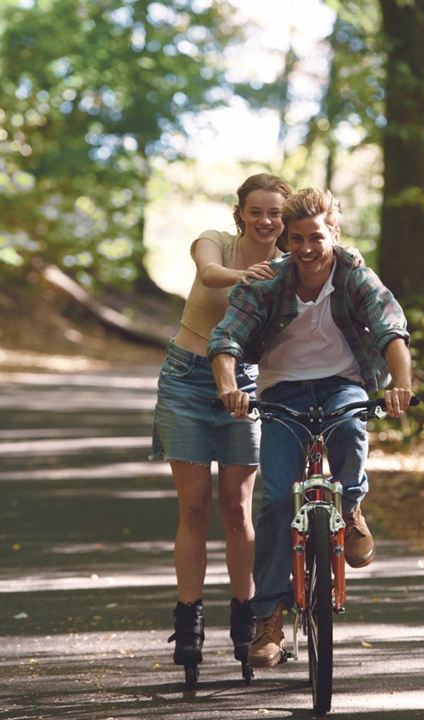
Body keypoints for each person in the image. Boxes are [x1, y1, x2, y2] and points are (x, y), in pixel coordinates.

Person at [209, 187, 414, 668]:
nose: (305, 248)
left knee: (349, 431)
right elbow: (227, 340)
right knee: (278, 498)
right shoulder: (267, 282)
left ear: (333, 233)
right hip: (282, 392)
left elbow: (391, 330)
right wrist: (227, 388)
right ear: (286, 238)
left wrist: (400, 385)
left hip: (342, 383)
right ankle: (269, 620)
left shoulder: (355, 275)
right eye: (295, 238)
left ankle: (352, 505)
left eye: (315, 237)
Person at [150, 172, 292, 675]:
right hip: (187, 380)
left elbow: (330, 270)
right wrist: (248, 277)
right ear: (241, 212)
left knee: (238, 508)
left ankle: (246, 617)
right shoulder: (215, 242)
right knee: (193, 507)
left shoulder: (290, 263)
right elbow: (209, 274)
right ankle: (188, 620)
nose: (266, 220)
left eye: (275, 212)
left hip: (248, 384)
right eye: (256, 211)